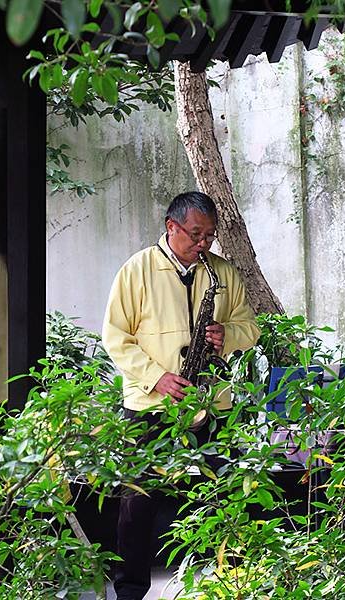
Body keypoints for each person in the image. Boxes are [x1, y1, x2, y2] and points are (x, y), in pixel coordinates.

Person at [102, 191, 260, 599]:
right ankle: (130, 591)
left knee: (229, 495)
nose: (204, 243)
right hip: (153, 403)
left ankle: (234, 587)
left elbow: (250, 327)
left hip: (213, 403)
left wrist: (229, 336)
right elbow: (115, 338)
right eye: (195, 234)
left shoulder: (223, 272)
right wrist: (157, 378)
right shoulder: (137, 270)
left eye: (210, 235)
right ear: (171, 226)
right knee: (137, 504)